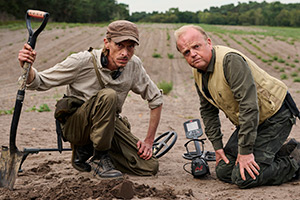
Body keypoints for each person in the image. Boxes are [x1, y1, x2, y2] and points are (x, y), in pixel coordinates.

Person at [18, 20, 163, 179]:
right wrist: (28, 67)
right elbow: (39, 82)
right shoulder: (82, 61)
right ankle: (98, 156)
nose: (125, 53)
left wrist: (149, 141)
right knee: (108, 95)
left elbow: (155, 98)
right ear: (107, 43)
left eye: (130, 47)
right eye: (120, 45)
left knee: (150, 167)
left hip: (107, 125)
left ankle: (90, 154)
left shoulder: (133, 65)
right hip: (77, 126)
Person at [174, 24, 300, 188]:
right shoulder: (198, 71)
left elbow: (249, 107)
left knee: (244, 177)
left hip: (275, 116)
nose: (193, 54)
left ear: (209, 42)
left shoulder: (229, 61)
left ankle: (295, 162)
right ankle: (277, 152)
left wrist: (245, 152)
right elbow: (208, 111)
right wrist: (218, 147)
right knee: (223, 170)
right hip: (252, 122)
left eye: (196, 47)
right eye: (186, 52)